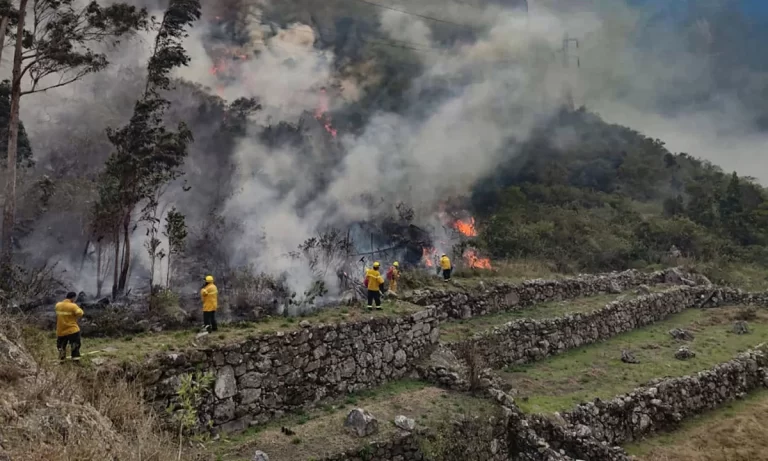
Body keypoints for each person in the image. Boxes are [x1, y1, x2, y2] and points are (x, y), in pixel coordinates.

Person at [55, 292, 84, 363]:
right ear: (73, 298)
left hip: (61, 330)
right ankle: (76, 361)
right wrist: (78, 308)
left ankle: (61, 360)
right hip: (72, 330)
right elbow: (80, 313)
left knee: (61, 346)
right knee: (75, 346)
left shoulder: (58, 305)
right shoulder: (73, 306)